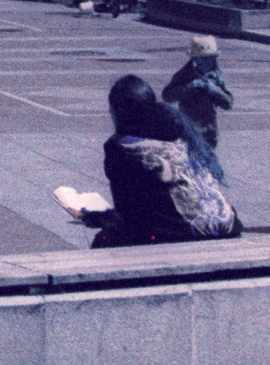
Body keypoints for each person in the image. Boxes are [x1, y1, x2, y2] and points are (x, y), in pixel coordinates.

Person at [77, 75, 241, 247]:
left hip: (186, 235)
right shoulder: (181, 135)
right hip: (227, 227)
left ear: (117, 111)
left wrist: (94, 218)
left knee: (105, 241)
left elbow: (129, 216)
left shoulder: (121, 147)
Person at [163, 34, 236, 151]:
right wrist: (191, 86)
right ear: (195, 60)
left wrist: (214, 89)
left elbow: (228, 103)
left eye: (210, 59)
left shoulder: (216, 77)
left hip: (209, 132)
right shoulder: (184, 75)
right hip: (189, 130)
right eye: (202, 59)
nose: (206, 63)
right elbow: (167, 96)